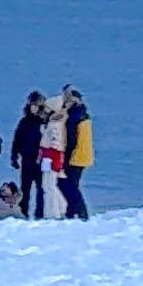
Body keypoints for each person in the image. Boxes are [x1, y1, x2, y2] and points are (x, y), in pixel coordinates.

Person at [10, 92, 47, 218]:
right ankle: (23, 211)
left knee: (42, 188)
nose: (34, 108)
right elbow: (17, 139)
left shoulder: (45, 121)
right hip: (27, 158)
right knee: (25, 187)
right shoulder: (24, 121)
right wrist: (14, 156)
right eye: (32, 105)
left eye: (36, 105)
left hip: (42, 159)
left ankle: (40, 213)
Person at [60, 86, 94, 221]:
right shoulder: (82, 113)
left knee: (70, 185)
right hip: (83, 155)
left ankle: (79, 212)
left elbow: (71, 139)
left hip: (76, 155)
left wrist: (65, 157)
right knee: (72, 185)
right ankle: (74, 212)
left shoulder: (74, 116)